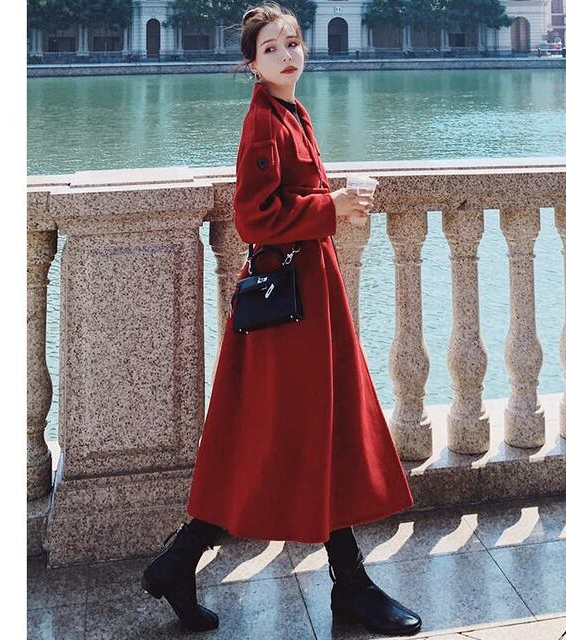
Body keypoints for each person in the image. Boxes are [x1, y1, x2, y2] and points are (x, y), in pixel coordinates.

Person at [142, 2, 422, 636]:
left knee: (297, 434)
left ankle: (181, 563)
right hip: (290, 306)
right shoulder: (263, 122)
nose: (287, 54)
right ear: (252, 64)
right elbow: (253, 218)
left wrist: (333, 200)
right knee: (307, 431)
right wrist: (332, 206)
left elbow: (291, 198)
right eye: (271, 48)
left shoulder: (291, 111)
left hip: (306, 293)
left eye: (292, 43)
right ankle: (348, 586)